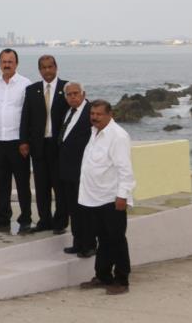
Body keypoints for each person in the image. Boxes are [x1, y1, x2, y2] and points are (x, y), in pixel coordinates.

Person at [79, 100, 136, 295]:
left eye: (99, 114)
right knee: (102, 239)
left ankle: (122, 280)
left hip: (112, 198)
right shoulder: (94, 132)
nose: (94, 117)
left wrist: (122, 195)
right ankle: (103, 276)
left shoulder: (118, 136)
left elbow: (125, 169)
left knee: (116, 239)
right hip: (94, 197)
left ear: (110, 114)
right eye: (92, 113)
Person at [19, 55, 69, 233]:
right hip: (38, 145)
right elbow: (26, 118)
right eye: (43, 68)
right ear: (39, 70)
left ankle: (60, 222)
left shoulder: (67, 88)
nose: (47, 71)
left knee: (59, 186)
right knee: (41, 186)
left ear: (56, 67)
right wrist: (23, 141)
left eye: (50, 67)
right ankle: (44, 220)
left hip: (59, 146)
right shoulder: (32, 90)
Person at [0, 49, 32, 233]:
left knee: (22, 184)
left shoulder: (25, 84)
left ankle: (26, 218)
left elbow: (29, 116)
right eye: (4, 61)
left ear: (16, 63)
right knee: (0, 184)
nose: (7, 64)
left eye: (10, 61)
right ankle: (3, 218)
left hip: (18, 143)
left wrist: (25, 141)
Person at [57, 82, 96, 257]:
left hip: (83, 170)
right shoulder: (69, 112)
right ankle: (77, 242)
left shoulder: (90, 113)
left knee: (85, 210)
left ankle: (89, 245)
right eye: (69, 94)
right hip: (68, 171)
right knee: (73, 209)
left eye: (75, 93)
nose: (73, 97)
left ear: (83, 93)